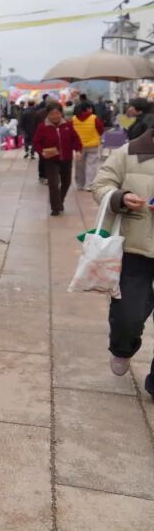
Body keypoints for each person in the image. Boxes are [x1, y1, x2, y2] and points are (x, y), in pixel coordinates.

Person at [90, 128, 154, 401]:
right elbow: (100, 185)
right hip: (133, 248)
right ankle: (122, 346)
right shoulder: (129, 153)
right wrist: (121, 197)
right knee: (128, 315)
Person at [33, 102, 82, 216]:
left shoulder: (68, 125)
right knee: (54, 183)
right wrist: (42, 152)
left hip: (66, 158)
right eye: (52, 114)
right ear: (48, 114)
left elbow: (75, 139)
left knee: (67, 182)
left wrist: (78, 150)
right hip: (51, 159)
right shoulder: (42, 127)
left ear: (61, 113)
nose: (55, 116)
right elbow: (36, 142)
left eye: (57, 113)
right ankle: (55, 207)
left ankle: (59, 200)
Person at [72, 101, 105, 191]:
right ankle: (89, 185)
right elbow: (101, 130)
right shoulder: (94, 118)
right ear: (87, 109)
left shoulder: (74, 119)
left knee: (79, 166)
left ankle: (80, 184)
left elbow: (72, 132)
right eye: (90, 108)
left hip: (79, 147)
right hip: (93, 145)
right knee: (91, 165)